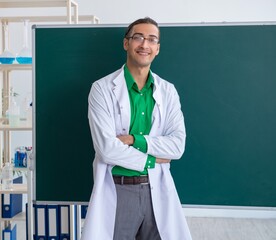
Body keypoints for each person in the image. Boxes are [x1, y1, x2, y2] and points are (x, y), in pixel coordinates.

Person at [81, 17, 192, 240]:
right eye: (138, 38)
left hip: (157, 188)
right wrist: (152, 159)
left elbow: (177, 146)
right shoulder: (102, 89)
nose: (144, 45)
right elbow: (107, 149)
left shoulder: (167, 91)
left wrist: (134, 140)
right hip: (119, 190)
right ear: (126, 43)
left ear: (158, 48)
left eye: (152, 39)